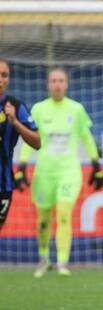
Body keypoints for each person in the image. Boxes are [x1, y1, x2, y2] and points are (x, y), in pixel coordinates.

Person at [14, 68, 103, 278]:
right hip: (44, 172)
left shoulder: (76, 109)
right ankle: (44, 258)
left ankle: (63, 261)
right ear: (48, 84)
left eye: (61, 80)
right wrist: (22, 166)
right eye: (53, 80)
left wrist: (96, 165)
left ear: (67, 84)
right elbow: (30, 140)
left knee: (64, 213)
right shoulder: (38, 109)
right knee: (44, 219)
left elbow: (87, 137)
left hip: (68, 171)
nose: (57, 84)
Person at [0, 58, 41, 231]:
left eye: (4, 75)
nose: (0, 79)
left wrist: (15, 122)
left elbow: (37, 142)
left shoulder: (16, 106)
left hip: (3, 184)